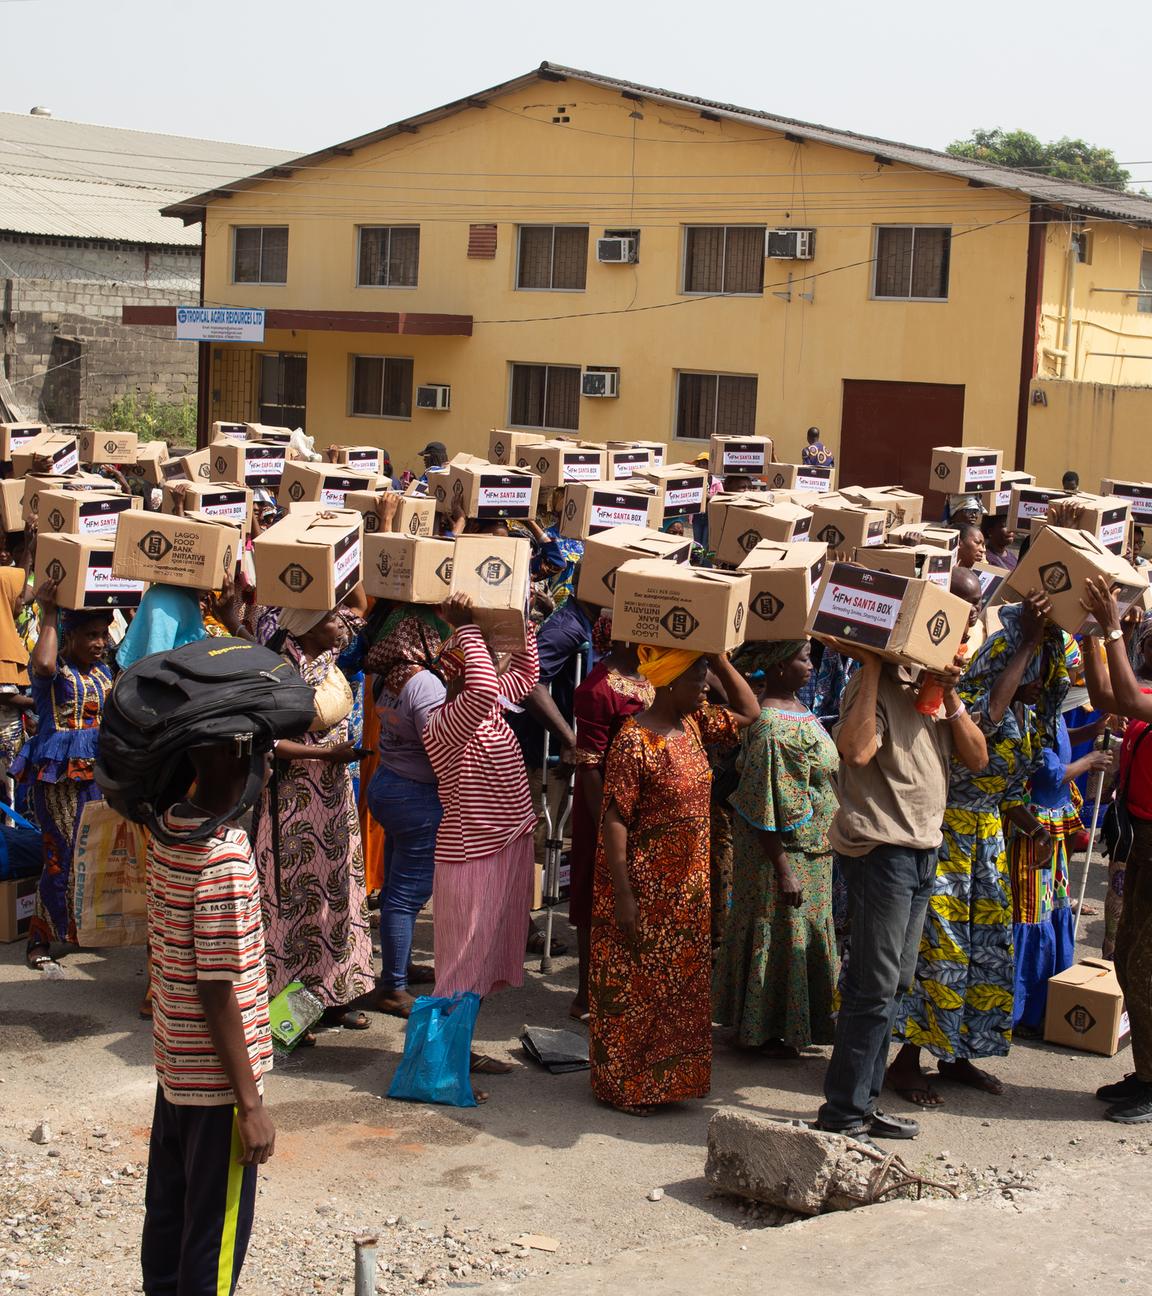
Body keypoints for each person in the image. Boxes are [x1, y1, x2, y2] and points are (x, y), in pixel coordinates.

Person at [889, 593, 1066, 1105]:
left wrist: (1033, 829)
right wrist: (1026, 641)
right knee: (939, 953)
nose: (1040, 679)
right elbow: (986, 721)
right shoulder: (967, 709)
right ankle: (907, 1062)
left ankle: (956, 1054)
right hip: (947, 839)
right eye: (1032, 667)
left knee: (980, 956)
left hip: (986, 845)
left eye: (1042, 669)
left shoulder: (1029, 719)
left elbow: (1008, 792)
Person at [814, 637, 988, 1145]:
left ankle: (863, 1106)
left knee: (895, 984)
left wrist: (952, 697)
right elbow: (856, 750)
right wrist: (870, 666)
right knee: (872, 987)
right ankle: (845, 1114)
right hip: (881, 849)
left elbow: (976, 757)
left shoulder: (931, 690)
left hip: (922, 848)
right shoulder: (871, 686)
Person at [589, 645, 759, 1115]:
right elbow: (615, 819)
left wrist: (720, 658)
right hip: (644, 889)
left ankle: (668, 1082)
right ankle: (626, 1087)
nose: (705, 688)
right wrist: (624, 895)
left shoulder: (694, 725)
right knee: (636, 989)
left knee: (676, 990)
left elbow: (749, 711)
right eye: (697, 678)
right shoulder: (633, 741)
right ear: (667, 683)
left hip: (687, 891)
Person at [142, 738, 275, 1296]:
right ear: (233, 758)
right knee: (213, 1245)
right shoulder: (223, 853)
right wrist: (250, 1105)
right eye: (262, 754)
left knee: (169, 1221)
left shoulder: (166, 825)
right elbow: (217, 989)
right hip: (219, 1088)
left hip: (175, 1073)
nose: (268, 767)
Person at [422, 593, 540, 1094]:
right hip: (472, 856)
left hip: (506, 846)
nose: (491, 670)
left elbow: (526, 677)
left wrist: (520, 619)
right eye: (479, 664)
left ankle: (456, 1054)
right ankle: (436, 1074)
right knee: (461, 967)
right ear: (460, 676)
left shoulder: (488, 709)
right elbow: (488, 683)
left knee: (484, 961)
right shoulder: (446, 723)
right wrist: (466, 626)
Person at [712, 641, 840, 1056]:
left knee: (799, 936)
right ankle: (763, 1030)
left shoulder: (799, 710)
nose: (811, 665)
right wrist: (784, 868)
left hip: (814, 852)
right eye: (804, 658)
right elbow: (765, 801)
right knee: (779, 933)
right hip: (783, 856)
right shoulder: (771, 726)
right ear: (780, 666)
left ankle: (790, 1025)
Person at [254, 607, 375, 1032]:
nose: (340, 626)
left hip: (331, 799)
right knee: (297, 904)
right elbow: (266, 737)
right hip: (294, 802)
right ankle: (290, 1016)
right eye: (330, 620)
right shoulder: (279, 669)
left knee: (336, 897)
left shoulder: (329, 665)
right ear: (305, 628)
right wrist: (326, 754)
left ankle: (335, 995)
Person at [1010, 640, 1112, 1033]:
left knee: (1052, 906)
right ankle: (1023, 1009)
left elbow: (1061, 747)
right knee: (1031, 911)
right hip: (1033, 827)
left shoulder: (1050, 714)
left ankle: (1043, 1004)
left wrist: (1094, 729)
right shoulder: (1030, 715)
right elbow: (1049, 773)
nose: (1068, 683)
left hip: (1055, 824)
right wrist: (1090, 761)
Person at [1080, 575, 1152, 1122]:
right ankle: (1146, 1073)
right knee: (1126, 956)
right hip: (1140, 842)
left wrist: (1111, 630)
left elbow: (1124, 695)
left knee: (1147, 966)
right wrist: (1088, 634)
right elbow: (1107, 697)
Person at [18, 580, 113, 970]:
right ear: (69, 637)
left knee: (93, 854)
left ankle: (78, 928)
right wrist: (50, 610)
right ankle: (39, 938)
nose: (99, 642)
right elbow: (41, 663)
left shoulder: (104, 672)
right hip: (57, 778)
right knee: (62, 853)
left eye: (103, 634)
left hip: (98, 774)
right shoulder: (52, 671)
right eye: (90, 635)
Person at [364, 604, 450, 1017]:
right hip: (416, 796)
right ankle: (392, 988)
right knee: (406, 896)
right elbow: (441, 749)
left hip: (388, 784)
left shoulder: (389, 677)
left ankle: (397, 968)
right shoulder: (426, 686)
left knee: (398, 886)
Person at [567, 623, 654, 1020]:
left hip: (646, 804)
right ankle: (586, 992)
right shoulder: (598, 689)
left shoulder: (655, 676)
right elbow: (588, 765)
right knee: (596, 887)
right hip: (602, 805)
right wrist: (609, 823)